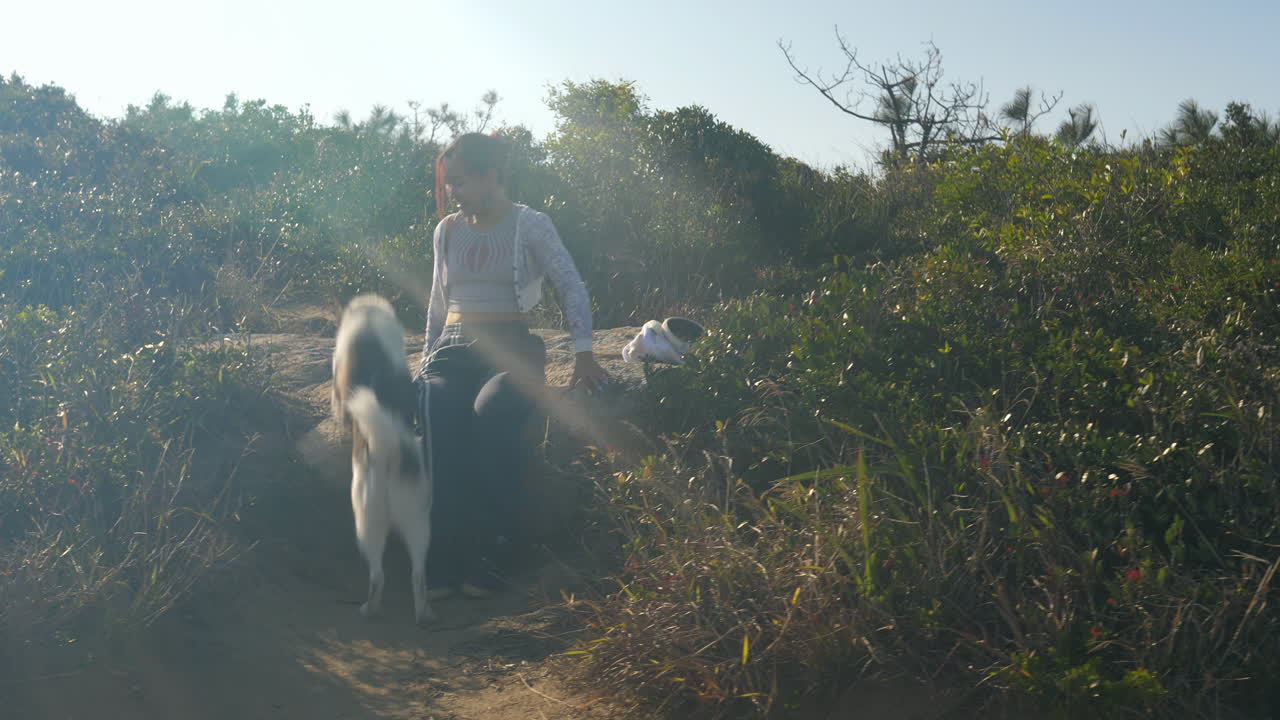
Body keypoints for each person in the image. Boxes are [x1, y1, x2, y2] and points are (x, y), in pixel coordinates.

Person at [415, 132, 607, 599]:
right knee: (436, 408)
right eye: (448, 184)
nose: (451, 193)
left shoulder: (530, 224)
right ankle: (445, 549)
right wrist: (425, 361)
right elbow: (438, 306)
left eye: (459, 182)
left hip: (513, 348)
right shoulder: (447, 231)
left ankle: (499, 548)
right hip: (455, 348)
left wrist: (583, 353)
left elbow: (571, 284)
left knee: (492, 412)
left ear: (489, 175)